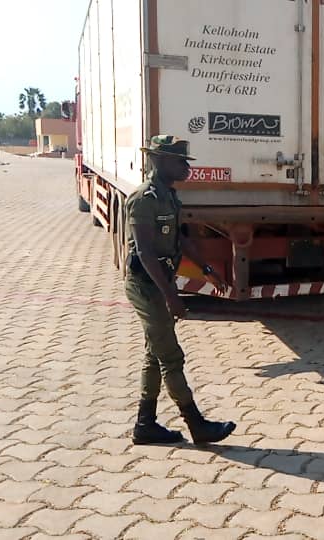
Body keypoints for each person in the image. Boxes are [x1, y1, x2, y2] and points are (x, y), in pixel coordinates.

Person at [125, 134, 236, 445]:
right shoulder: (143, 199)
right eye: (180, 161)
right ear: (160, 161)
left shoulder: (170, 197)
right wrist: (172, 297)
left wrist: (207, 269)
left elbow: (181, 239)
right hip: (146, 286)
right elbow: (145, 253)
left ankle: (145, 425)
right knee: (171, 357)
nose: (186, 167)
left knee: (154, 354)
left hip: (161, 282)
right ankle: (197, 425)